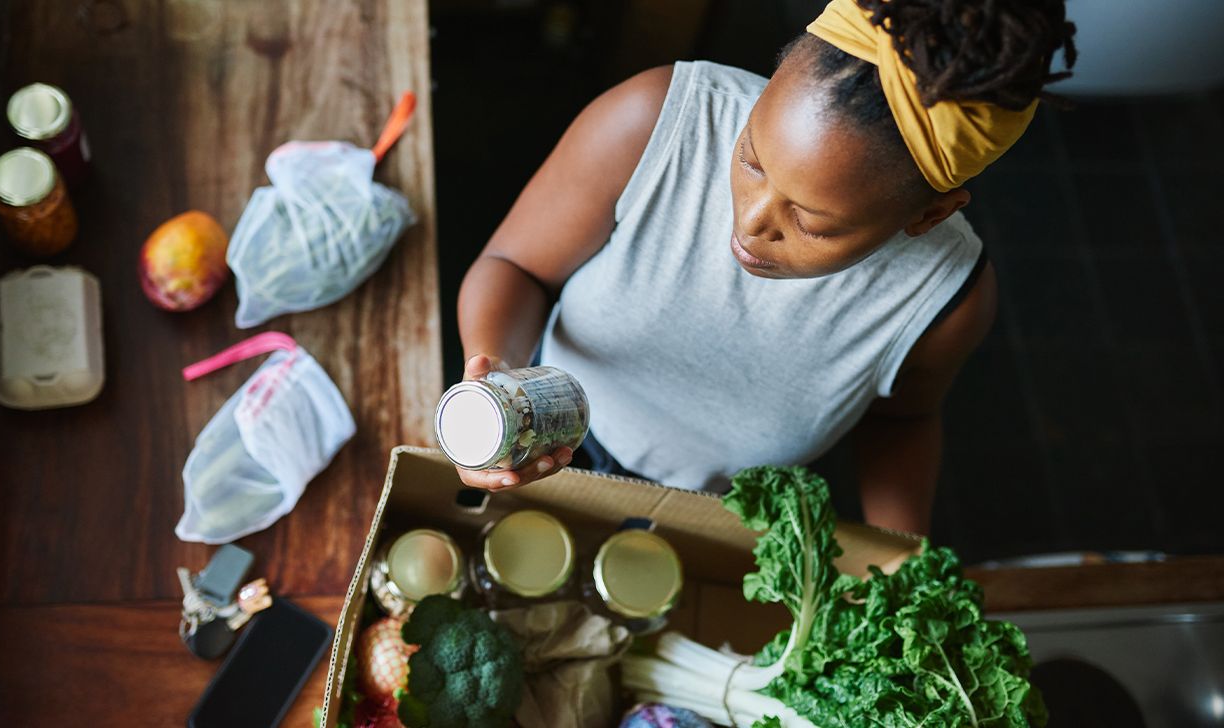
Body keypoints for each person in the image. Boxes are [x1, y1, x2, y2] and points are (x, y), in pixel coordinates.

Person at [453, 0, 1076, 534]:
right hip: (547, 422)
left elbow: (903, 417)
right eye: (751, 159)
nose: (750, 223)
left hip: (711, 513)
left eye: (812, 221)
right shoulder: (656, 120)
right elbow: (515, 266)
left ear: (930, 215)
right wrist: (498, 386)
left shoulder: (946, 302)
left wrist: (902, 560)